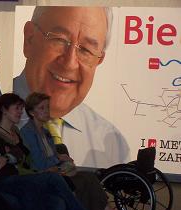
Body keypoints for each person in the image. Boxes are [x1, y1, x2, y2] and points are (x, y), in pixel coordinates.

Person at [13, 6, 129, 168]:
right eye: (59, 39)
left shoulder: (114, 145)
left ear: (98, 60)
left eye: (86, 50)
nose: (70, 63)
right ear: (29, 39)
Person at [20, 92, 122, 210]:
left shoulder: (45, 131)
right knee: (80, 183)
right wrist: (58, 159)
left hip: (55, 170)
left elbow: (51, 156)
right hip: (43, 174)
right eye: (42, 108)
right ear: (31, 112)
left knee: (89, 177)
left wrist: (60, 158)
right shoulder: (28, 132)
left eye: (47, 107)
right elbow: (39, 163)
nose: (46, 111)